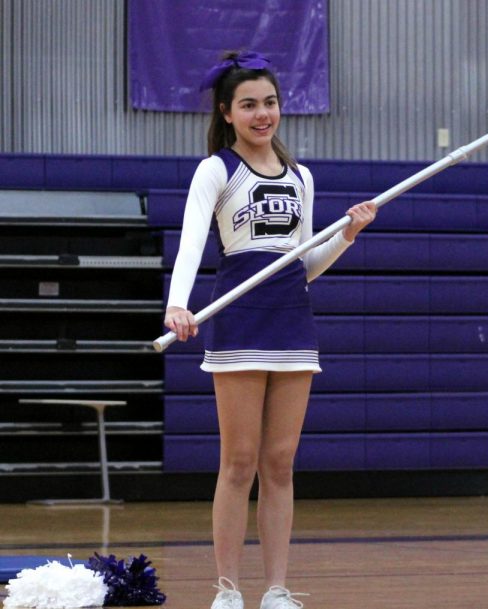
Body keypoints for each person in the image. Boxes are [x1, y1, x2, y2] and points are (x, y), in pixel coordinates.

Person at [164, 51, 376, 609]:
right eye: (250, 105)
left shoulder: (302, 176)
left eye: (271, 103)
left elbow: (304, 262)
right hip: (238, 321)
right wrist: (177, 306)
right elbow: (190, 243)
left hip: (291, 320)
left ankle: (277, 588)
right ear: (226, 112)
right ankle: (228, 588)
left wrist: (347, 236)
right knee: (237, 463)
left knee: (279, 463)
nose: (263, 114)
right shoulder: (216, 170)